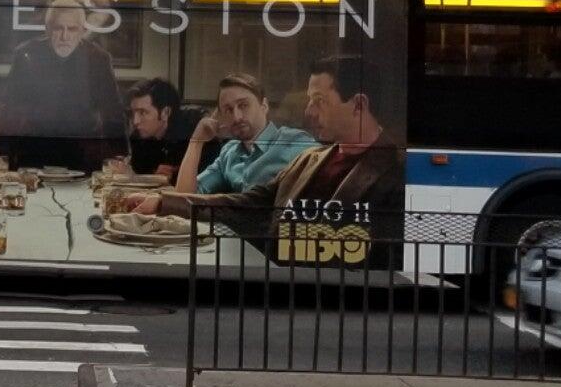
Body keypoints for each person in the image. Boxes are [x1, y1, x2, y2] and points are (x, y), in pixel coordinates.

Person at [127, 54, 404, 253]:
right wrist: (163, 202)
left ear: (358, 105)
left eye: (319, 101)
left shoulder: (399, 171)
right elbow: (249, 202)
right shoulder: (311, 158)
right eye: (310, 101)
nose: (308, 112)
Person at [0, 0, 124, 171]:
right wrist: (0, 153)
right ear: (48, 29)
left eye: (72, 29)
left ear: (82, 30)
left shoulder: (99, 58)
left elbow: (112, 111)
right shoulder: (26, 54)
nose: (65, 36)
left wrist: (120, 156)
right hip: (34, 150)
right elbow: (9, 108)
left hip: (84, 151)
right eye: (59, 28)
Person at [173, 72, 317, 195]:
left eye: (243, 105)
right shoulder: (229, 154)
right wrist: (196, 142)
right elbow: (184, 197)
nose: (237, 117)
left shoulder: (295, 142)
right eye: (228, 110)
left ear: (264, 106)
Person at [125, 77, 209, 179]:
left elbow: (210, 173)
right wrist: (154, 175)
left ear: (165, 112)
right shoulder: (138, 138)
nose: (135, 121)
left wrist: (176, 174)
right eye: (133, 113)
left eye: (143, 112)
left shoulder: (192, 127)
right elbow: (140, 171)